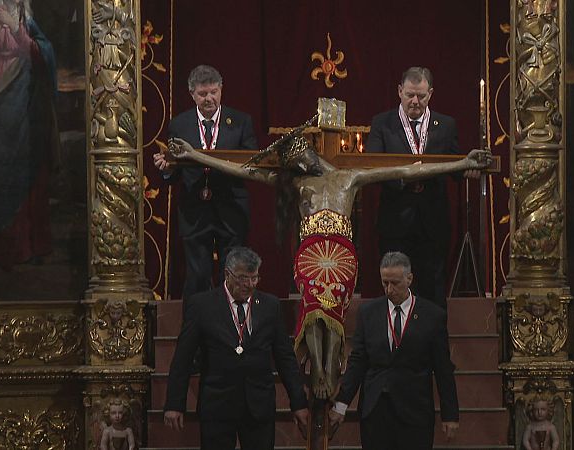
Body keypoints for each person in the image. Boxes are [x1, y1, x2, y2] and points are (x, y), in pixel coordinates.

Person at [163, 122, 490, 403]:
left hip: (342, 250)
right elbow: (243, 169)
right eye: (293, 162)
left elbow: (407, 169)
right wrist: (194, 155)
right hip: (310, 250)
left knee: (332, 307)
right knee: (313, 304)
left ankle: (331, 365)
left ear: (310, 150)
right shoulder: (296, 182)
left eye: (298, 157)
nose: (299, 165)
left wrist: (461, 163)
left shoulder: (351, 176)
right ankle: (318, 368)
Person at [163, 247, 309, 450]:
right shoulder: (202, 306)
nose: (249, 285)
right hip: (217, 407)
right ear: (227, 275)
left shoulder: (270, 306)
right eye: (242, 278)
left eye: (254, 278)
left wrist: (299, 402)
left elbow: (285, 358)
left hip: (259, 406)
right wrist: (174, 404)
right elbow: (183, 359)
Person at [328, 251, 460, 450]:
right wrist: (341, 403)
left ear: (409, 279)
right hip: (376, 411)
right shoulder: (368, 313)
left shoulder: (432, 316)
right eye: (384, 283)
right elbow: (358, 361)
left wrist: (450, 415)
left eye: (395, 283)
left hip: (415, 411)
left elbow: (443, 368)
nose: (389, 289)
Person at [366, 66, 473, 309]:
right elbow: (373, 167)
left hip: (432, 223)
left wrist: (469, 168)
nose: (415, 101)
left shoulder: (446, 125)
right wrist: (405, 177)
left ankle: (434, 344)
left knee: (433, 290)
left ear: (431, 93)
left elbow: (454, 167)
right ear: (399, 91)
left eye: (421, 96)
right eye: (410, 95)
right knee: (394, 288)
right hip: (395, 220)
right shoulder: (382, 123)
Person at [0, 0, 58, 268]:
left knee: (26, 172)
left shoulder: (26, 20)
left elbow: (41, 57)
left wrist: (15, 27)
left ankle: (27, 246)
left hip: (24, 107)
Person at [153, 65, 257, 307]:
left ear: (221, 90)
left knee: (233, 274)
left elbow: (252, 165)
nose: (209, 98)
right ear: (192, 94)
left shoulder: (241, 122)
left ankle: (234, 329)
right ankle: (196, 328)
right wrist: (168, 169)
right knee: (198, 275)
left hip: (231, 210)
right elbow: (174, 170)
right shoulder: (179, 125)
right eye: (203, 94)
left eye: (213, 92)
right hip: (195, 212)